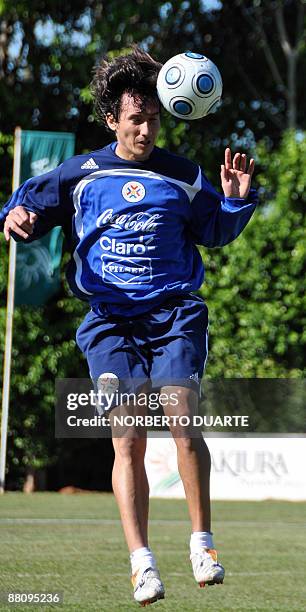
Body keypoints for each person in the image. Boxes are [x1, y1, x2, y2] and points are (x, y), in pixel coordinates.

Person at [0, 47, 257, 607]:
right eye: (135, 119)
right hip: (110, 326)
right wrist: (15, 217)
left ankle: (202, 544)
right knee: (128, 437)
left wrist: (238, 201)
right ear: (113, 120)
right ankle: (142, 562)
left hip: (173, 319)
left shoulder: (182, 177)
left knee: (182, 421)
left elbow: (216, 230)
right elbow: (27, 204)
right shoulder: (83, 173)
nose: (145, 129)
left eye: (154, 119)